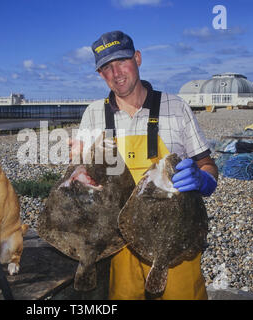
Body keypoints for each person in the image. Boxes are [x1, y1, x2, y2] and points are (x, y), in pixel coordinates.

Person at [69, 30, 218, 300]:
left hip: (175, 236)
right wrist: (78, 173)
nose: (115, 73)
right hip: (120, 241)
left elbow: (208, 165)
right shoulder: (93, 115)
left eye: (121, 62)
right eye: (105, 68)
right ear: (100, 74)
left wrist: (203, 179)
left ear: (137, 58)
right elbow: (80, 179)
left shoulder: (176, 107)